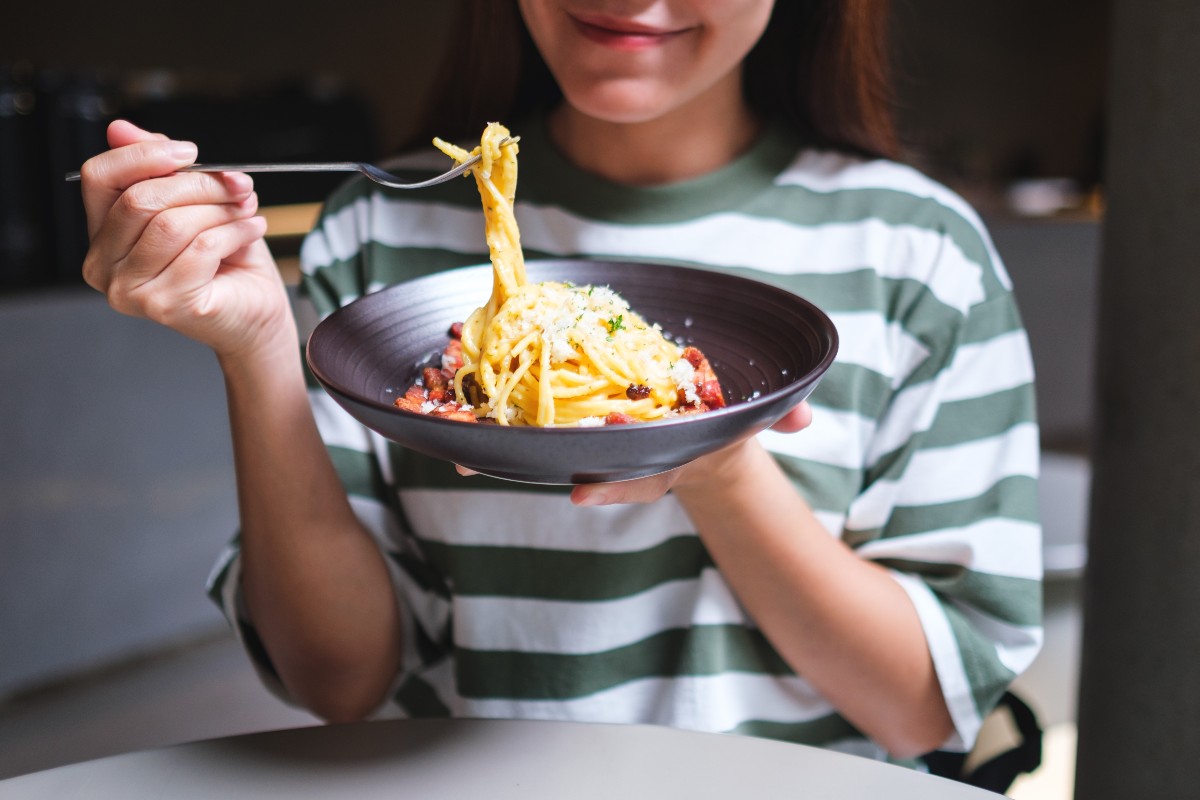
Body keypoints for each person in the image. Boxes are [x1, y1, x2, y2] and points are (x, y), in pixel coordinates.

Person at [78, 0, 1042, 765]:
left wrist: (708, 457)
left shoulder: (918, 251)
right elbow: (339, 681)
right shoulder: (376, 230)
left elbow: (927, 709)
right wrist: (254, 351)